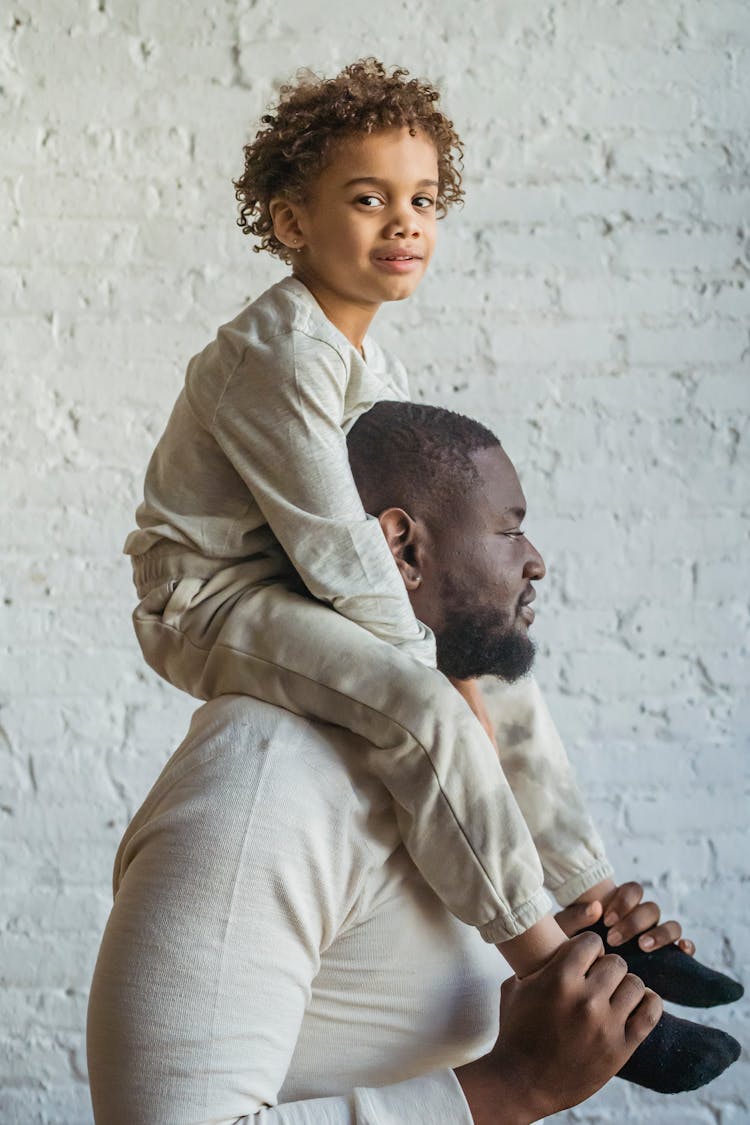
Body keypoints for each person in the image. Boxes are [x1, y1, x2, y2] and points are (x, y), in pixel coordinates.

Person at [121, 59, 740, 1082]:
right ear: (289, 222)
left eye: (420, 200)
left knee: (495, 660)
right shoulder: (274, 356)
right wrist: (438, 676)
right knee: (427, 707)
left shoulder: (367, 365)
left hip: (298, 588)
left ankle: (591, 908)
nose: (402, 221)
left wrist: (468, 656)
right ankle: (555, 974)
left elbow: (386, 549)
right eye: (367, 199)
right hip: (212, 600)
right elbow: (336, 546)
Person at [88, 403, 740, 1122]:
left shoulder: (453, 786)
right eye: (510, 527)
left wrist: (573, 969)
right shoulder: (261, 786)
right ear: (403, 548)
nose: (536, 561)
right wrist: (515, 1083)